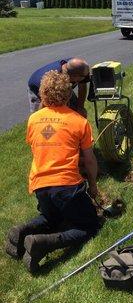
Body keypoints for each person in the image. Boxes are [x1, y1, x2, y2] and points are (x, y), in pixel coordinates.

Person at [6, 70, 102, 273]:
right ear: (68, 95)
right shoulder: (79, 122)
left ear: (43, 94)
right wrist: (92, 185)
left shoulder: (33, 120)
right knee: (90, 225)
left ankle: (22, 232)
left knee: (53, 218)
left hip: (40, 187)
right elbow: (90, 160)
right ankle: (42, 244)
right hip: (67, 187)